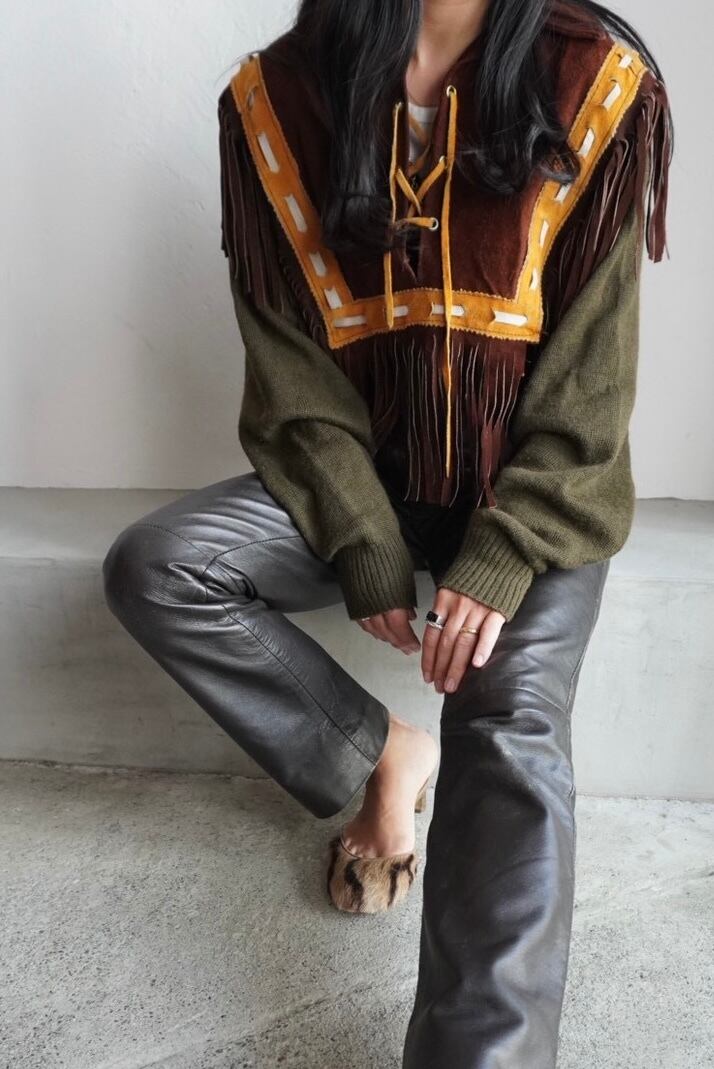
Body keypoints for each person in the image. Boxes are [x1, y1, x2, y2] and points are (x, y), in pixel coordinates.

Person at [102, 0, 672, 1065]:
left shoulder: (595, 80)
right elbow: (290, 370)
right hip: (371, 481)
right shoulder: (276, 98)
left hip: (532, 499)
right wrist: (362, 535)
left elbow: (592, 379)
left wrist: (506, 550)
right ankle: (379, 750)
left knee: (510, 728)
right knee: (160, 567)